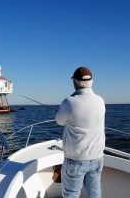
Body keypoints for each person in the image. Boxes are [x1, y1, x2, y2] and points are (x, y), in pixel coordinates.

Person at [55, 67, 105, 198]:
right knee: (95, 193)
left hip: (75, 160)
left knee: (71, 194)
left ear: (74, 82)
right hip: (97, 157)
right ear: (92, 81)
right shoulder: (100, 101)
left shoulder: (69, 101)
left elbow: (59, 121)